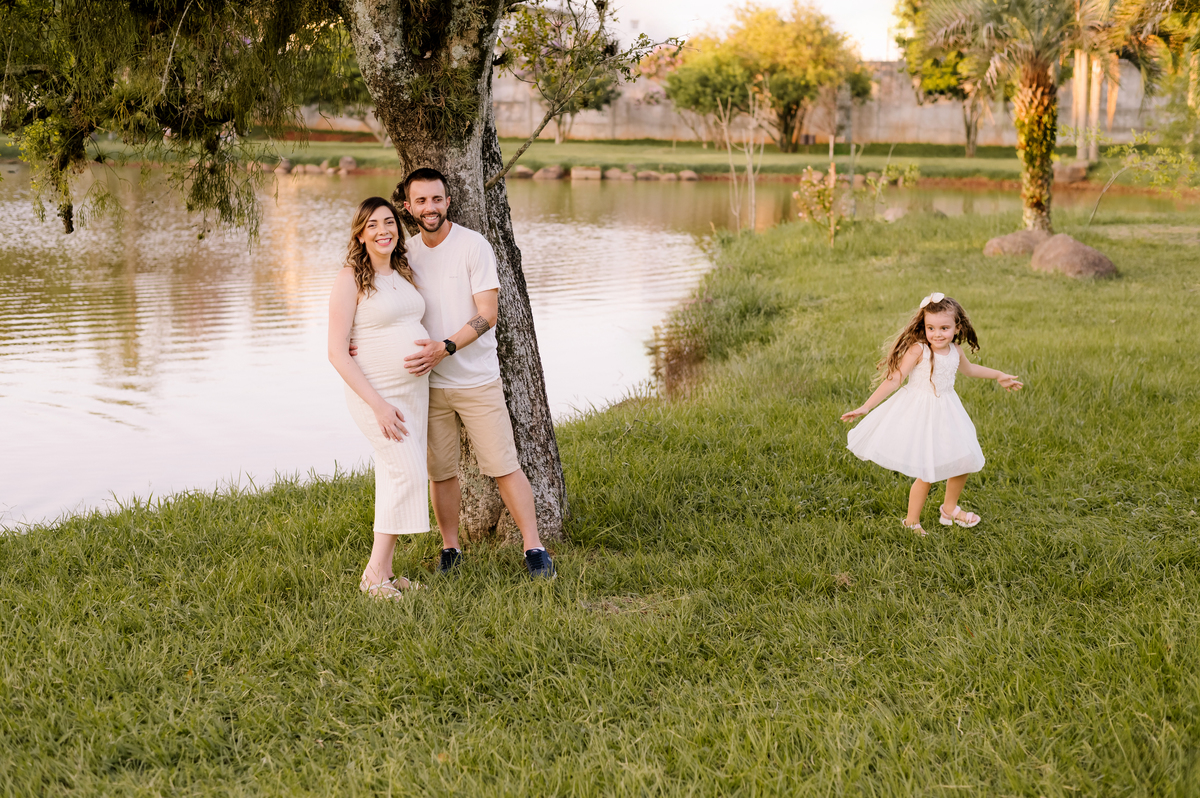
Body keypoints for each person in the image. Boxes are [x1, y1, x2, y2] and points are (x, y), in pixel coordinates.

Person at [398, 167, 555, 579]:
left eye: (437, 199)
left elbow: (489, 314)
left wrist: (444, 348)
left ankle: (534, 548)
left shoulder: (474, 246)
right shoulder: (406, 254)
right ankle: (450, 548)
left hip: (476, 381)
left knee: (505, 465)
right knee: (441, 473)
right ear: (408, 206)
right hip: (427, 386)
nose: (430, 207)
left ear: (448, 201)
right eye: (421, 200)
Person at [840, 292, 1023, 537]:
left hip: (948, 411)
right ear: (923, 327)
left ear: (957, 327)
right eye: (931, 328)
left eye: (944, 328)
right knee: (927, 470)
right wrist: (866, 406)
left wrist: (998, 374)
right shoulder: (919, 350)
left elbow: (970, 370)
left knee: (964, 459)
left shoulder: (956, 350)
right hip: (921, 413)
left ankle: (949, 509)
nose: (937, 334)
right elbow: (895, 379)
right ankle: (911, 522)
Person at [328, 197, 428, 599]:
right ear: (360, 234)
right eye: (373, 225)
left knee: (393, 474)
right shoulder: (350, 277)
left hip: (413, 393)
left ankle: (385, 573)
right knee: (406, 472)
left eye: (389, 222)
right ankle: (371, 576)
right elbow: (336, 351)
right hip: (378, 395)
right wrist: (379, 405)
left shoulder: (403, 272)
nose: (383, 230)